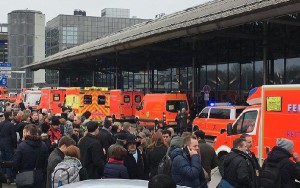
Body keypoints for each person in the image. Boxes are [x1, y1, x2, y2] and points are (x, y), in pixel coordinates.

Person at [0, 111, 17, 184]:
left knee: (2, 161)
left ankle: (2, 177)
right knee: (9, 161)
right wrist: (15, 145)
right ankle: (9, 178)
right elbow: (13, 136)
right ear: (9, 116)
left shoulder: (1, 124)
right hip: (9, 145)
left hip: (1, 144)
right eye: (12, 115)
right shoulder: (11, 125)